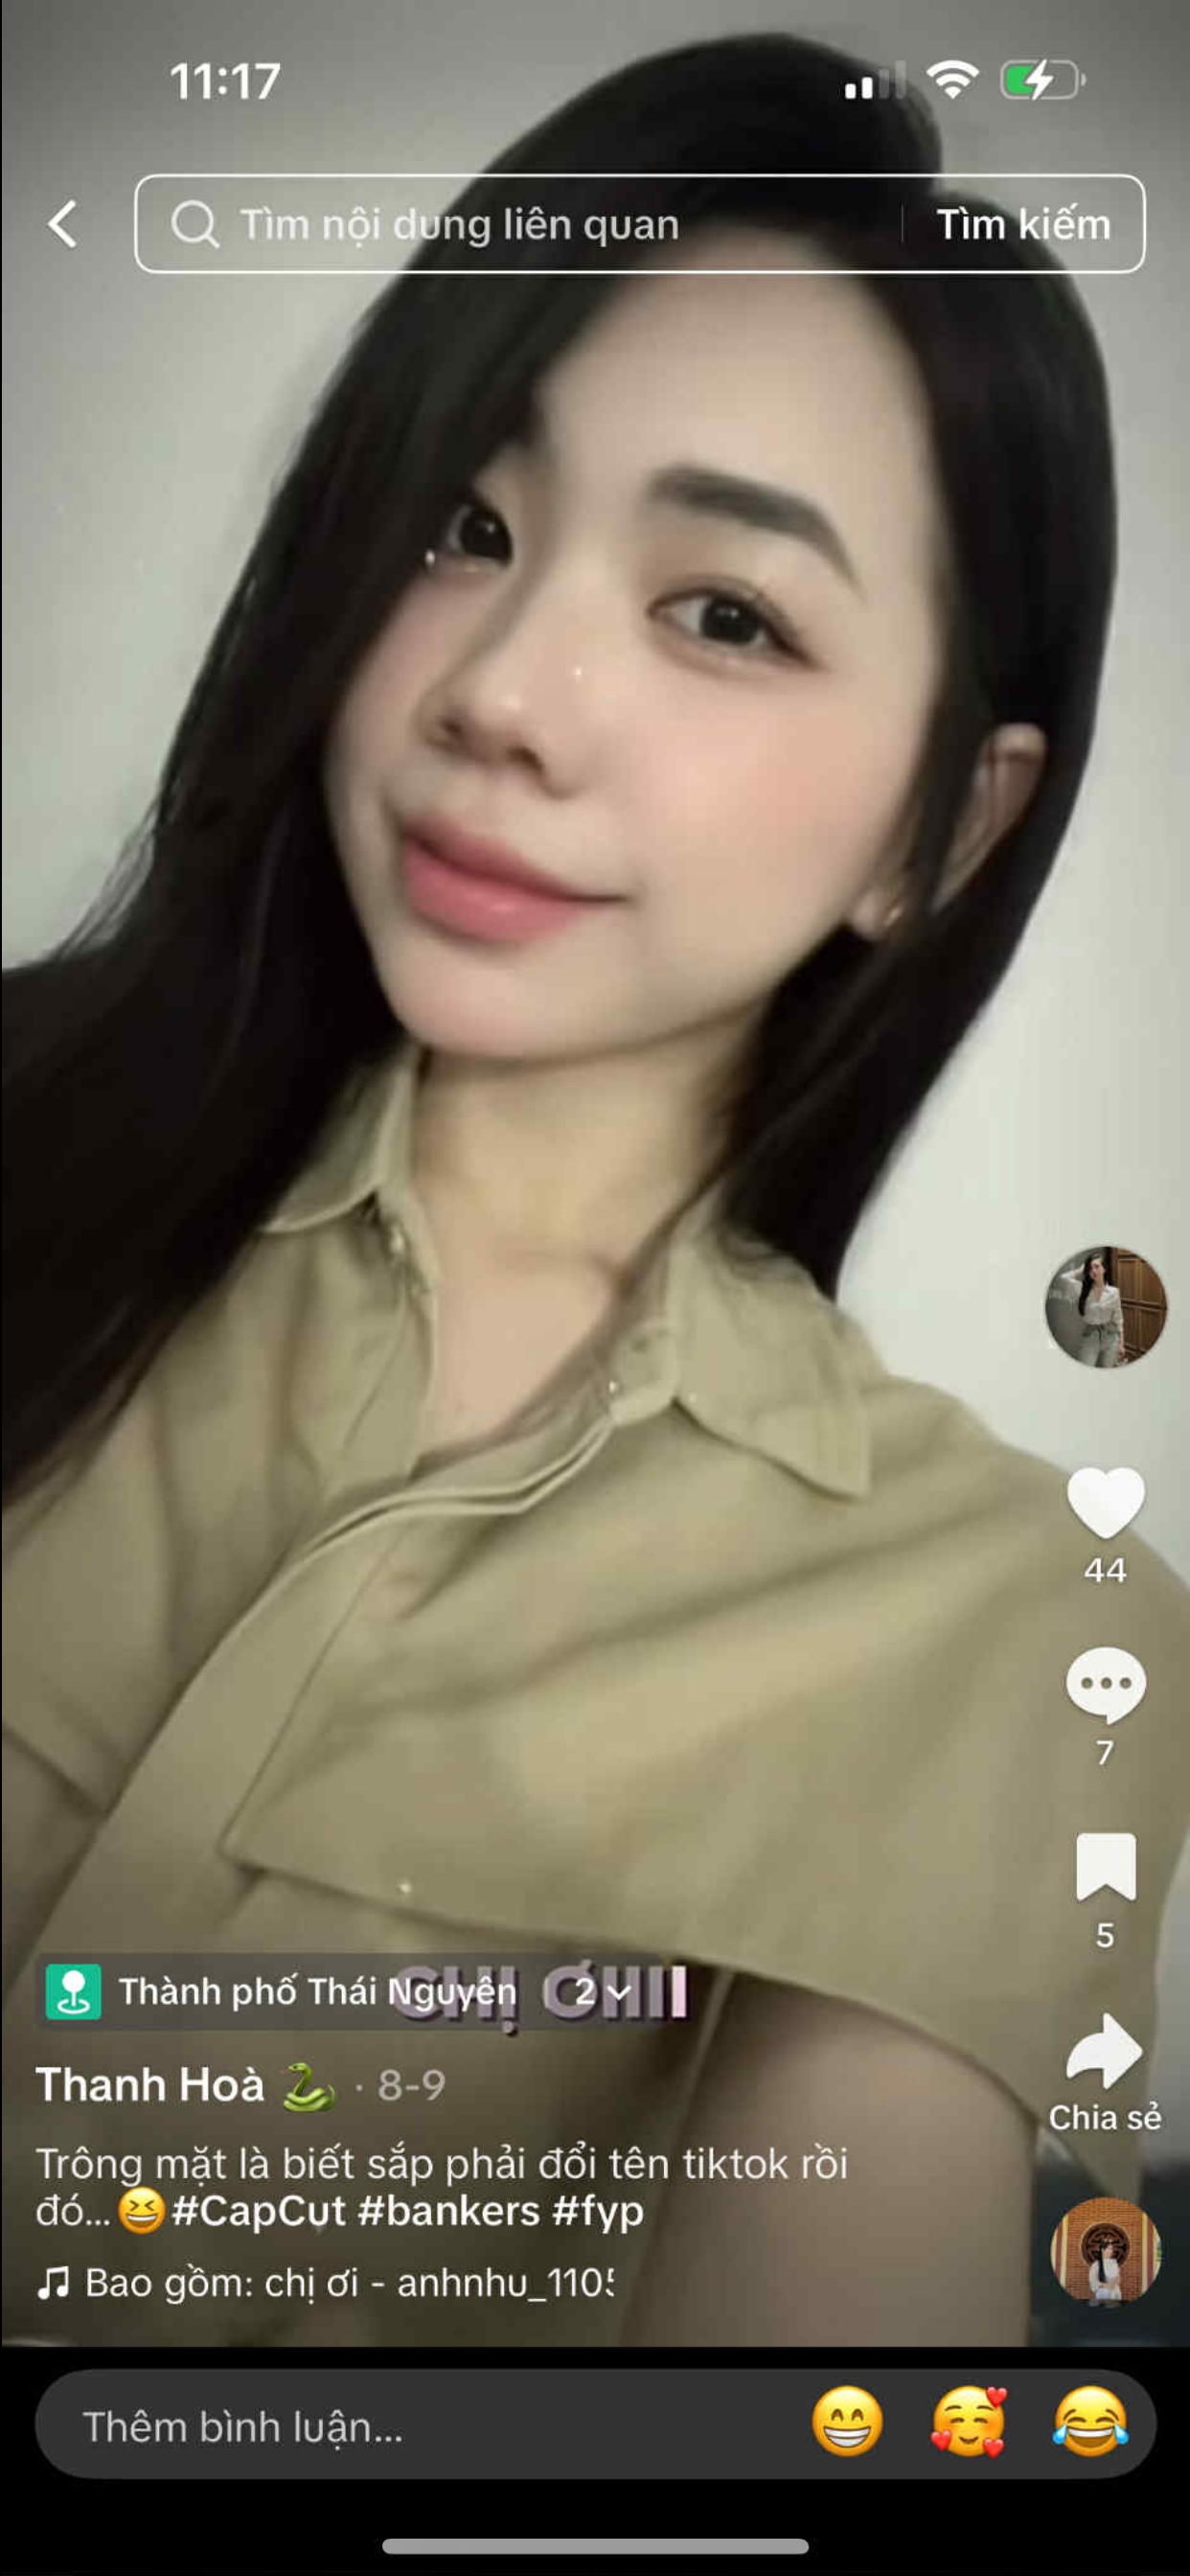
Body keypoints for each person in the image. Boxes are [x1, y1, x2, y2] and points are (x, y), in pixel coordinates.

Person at [4, 33, 1189, 2354]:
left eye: (724, 612)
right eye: (462, 525)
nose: (502, 693)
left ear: (938, 832)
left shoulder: (1001, 1624)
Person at [1064, 1253, 1127, 1367]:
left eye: (1097, 1267)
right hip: (1090, 1336)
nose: (1093, 1270)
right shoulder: (1082, 1289)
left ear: (1104, 1269)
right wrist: (1080, 1269)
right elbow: (1064, 1278)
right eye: (1090, 1268)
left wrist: (1121, 1344)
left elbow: (1119, 1319)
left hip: (1111, 1337)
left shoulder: (1114, 1292)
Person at [1087, 2231, 1126, 2304]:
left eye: (1111, 2249)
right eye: (1109, 2248)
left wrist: (1114, 2283)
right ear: (1102, 2250)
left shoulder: (1114, 2263)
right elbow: (1093, 2281)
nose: (1111, 2251)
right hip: (1103, 2293)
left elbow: (1118, 2277)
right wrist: (1106, 2285)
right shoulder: (1095, 2265)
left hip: (1115, 2293)